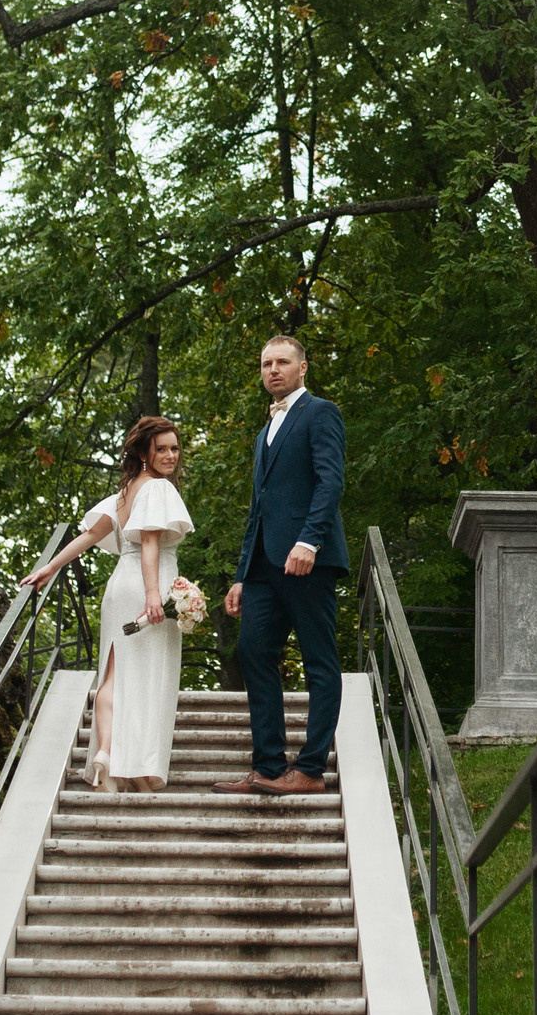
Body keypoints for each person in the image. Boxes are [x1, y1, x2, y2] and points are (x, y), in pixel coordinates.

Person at [20, 415, 192, 791]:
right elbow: (150, 542)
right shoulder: (158, 489)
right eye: (161, 449)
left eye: (175, 448)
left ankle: (107, 753)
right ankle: (137, 766)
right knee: (146, 679)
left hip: (119, 586)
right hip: (148, 584)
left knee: (113, 675)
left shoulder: (126, 492)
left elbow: (89, 536)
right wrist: (153, 595)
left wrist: (49, 567)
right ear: (144, 453)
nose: (170, 456)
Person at [214, 335, 347, 796]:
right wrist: (241, 575)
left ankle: (310, 769)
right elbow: (259, 508)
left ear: (302, 367)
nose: (273, 370)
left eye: (282, 362)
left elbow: (330, 482)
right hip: (264, 566)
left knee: (319, 660)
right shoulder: (263, 433)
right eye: (266, 363)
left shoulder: (321, 412)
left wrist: (310, 540)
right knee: (252, 650)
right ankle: (268, 766)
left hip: (308, 559)